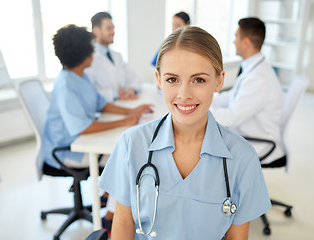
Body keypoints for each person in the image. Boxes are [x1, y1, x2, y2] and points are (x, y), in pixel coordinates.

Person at [98, 26, 271, 239]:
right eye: (172, 79)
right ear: (158, 80)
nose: (184, 94)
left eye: (199, 80)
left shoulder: (242, 158)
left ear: (219, 80)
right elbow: (123, 225)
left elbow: (237, 237)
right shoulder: (131, 144)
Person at [42, 24, 152, 171]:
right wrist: (125, 121)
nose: (94, 52)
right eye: (91, 49)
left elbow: (100, 104)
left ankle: (107, 194)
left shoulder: (81, 76)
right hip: (68, 150)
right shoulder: (66, 86)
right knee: (127, 158)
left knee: (126, 149)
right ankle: (106, 194)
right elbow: (83, 127)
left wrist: (131, 111)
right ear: (82, 54)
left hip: (83, 139)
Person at [210, 17, 284, 164]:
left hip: (259, 142)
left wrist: (204, 109)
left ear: (246, 42)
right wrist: (207, 99)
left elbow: (231, 117)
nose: (234, 41)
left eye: (236, 37)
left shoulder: (259, 78)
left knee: (205, 149)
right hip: (246, 133)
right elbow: (232, 96)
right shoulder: (254, 68)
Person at [85, 12, 141, 102]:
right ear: (96, 31)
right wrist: (116, 93)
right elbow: (88, 91)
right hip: (104, 110)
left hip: (124, 103)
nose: (113, 32)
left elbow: (134, 77)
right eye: (109, 28)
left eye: (113, 28)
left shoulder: (117, 56)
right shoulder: (88, 58)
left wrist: (132, 89)